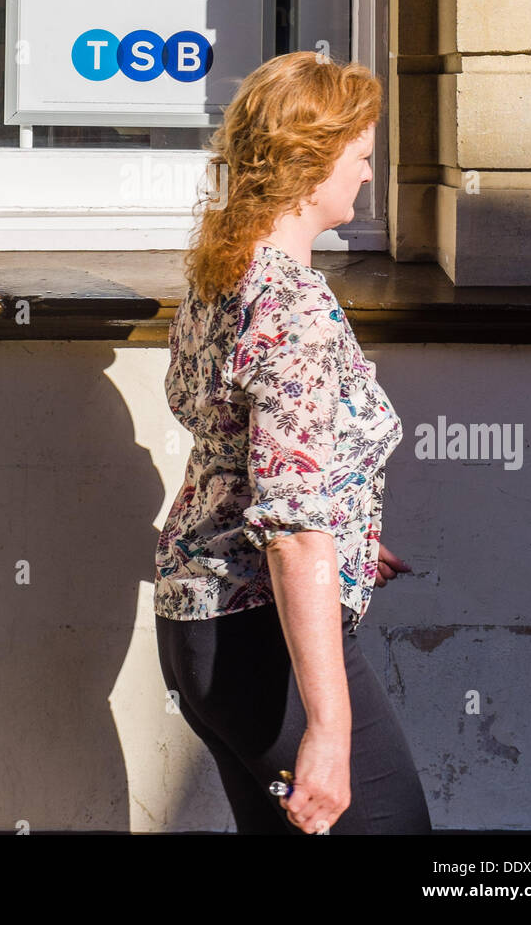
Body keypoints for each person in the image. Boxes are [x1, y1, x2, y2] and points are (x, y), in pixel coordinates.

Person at [154, 52, 432, 835]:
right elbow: (292, 531)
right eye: (363, 158)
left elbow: (241, 454)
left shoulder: (222, 277)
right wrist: (329, 734)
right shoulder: (293, 309)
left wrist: (346, 528)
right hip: (259, 631)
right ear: (312, 167)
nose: (368, 178)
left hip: (195, 621)